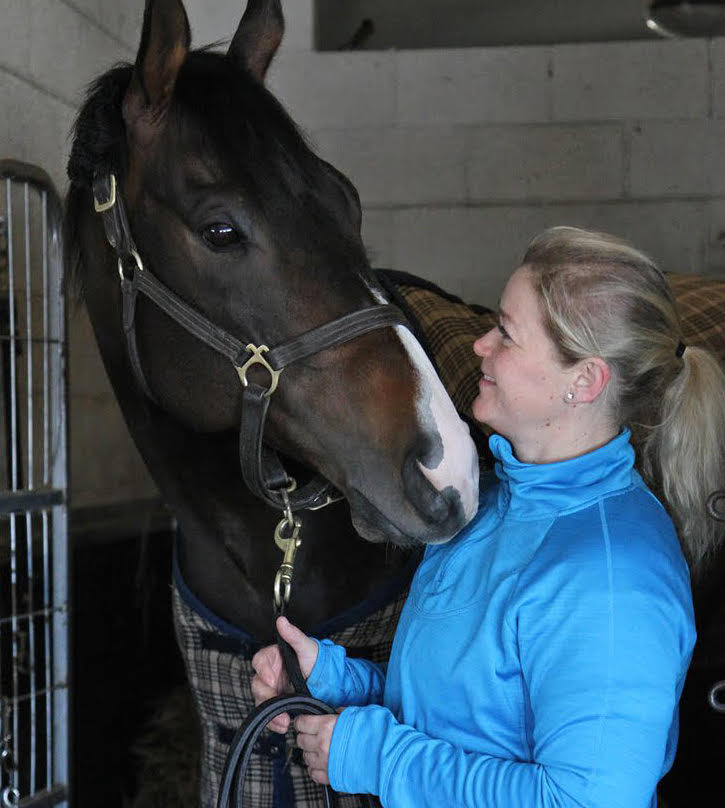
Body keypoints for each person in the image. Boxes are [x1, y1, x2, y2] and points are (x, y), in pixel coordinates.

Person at [251, 226, 725, 807]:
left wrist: (372, 756)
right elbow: (466, 715)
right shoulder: (495, 502)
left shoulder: (612, 579)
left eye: (506, 332)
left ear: (585, 381)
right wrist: (328, 681)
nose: (480, 345)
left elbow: (585, 801)